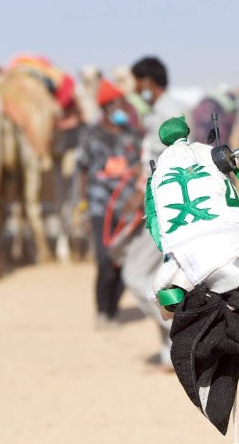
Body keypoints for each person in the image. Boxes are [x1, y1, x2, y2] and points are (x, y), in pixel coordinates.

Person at [121, 55, 185, 369]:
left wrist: (139, 195)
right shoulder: (159, 113)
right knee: (158, 278)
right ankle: (169, 353)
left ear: (146, 82)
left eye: (136, 83)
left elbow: (172, 163)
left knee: (134, 275)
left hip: (161, 208)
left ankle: (178, 331)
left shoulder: (169, 113)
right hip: (154, 205)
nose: (135, 90)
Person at [77, 79, 143, 329]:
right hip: (99, 207)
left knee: (125, 261)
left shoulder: (133, 136)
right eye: (116, 105)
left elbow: (139, 169)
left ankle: (113, 309)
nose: (122, 109)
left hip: (128, 209)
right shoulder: (90, 135)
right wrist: (82, 206)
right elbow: (81, 171)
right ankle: (102, 310)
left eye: (122, 105)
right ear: (105, 108)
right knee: (104, 260)